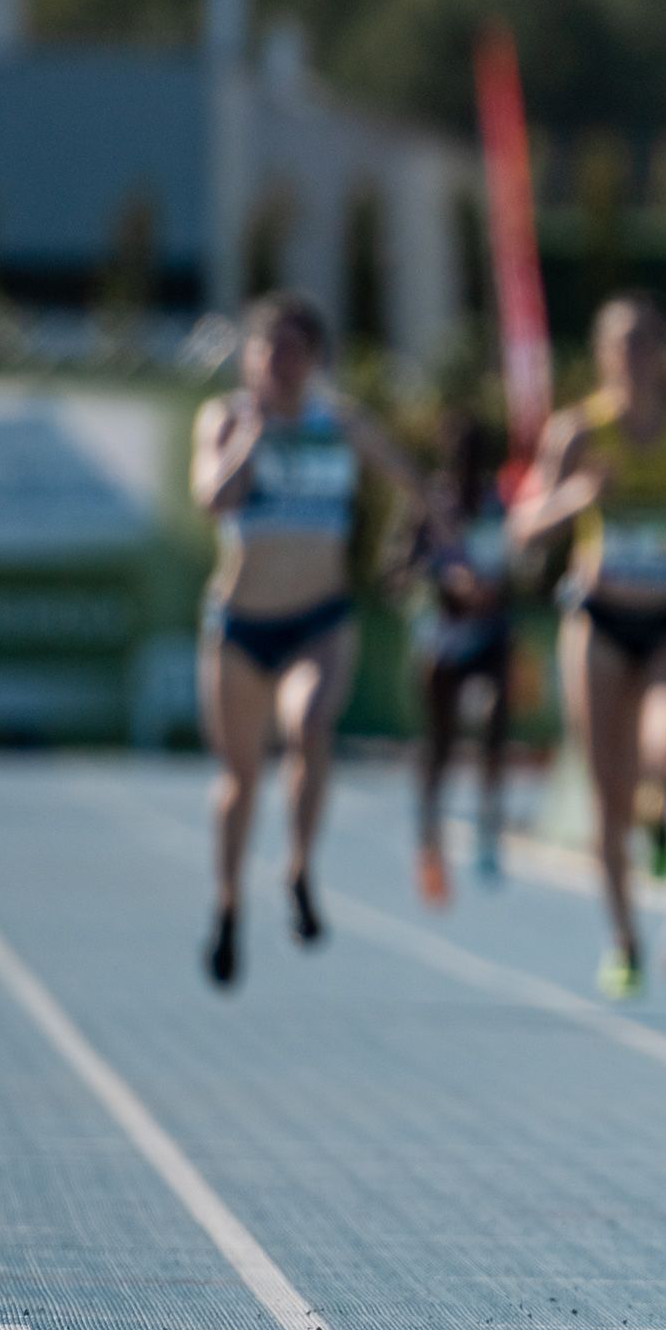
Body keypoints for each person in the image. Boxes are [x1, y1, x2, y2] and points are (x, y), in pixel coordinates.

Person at [513, 293, 666, 997]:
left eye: (647, 341)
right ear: (603, 354)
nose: (636, 355)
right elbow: (523, 530)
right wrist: (578, 496)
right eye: (622, 343)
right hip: (600, 616)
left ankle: (659, 808)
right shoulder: (580, 433)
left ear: (663, 349)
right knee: (604, 791)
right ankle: (622, 940)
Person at [191, 293, 428, 989]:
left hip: (318, 617)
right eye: (271, 350)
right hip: (240, 622)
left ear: (316, 360)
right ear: (251, 358)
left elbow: (417, 486)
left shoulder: (341, 423)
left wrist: (409, 550)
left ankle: (297, 868)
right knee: (239, 779)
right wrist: (252, 436)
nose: (284, 364)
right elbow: (213, 498)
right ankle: (228, 904)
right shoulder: (226, 418)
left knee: (311, 723)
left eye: (297, 350)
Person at [402, 409, 518, 904]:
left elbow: (521, 562)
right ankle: (430, 842)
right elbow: (398, 566)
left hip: (490, 631)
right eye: (460, 457)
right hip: (442, 636)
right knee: (440, 741)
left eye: (476, 458)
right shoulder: (432, 503)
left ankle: (487, 827)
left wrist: (498, 586)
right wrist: (445, 580)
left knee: (495, 719)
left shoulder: (501, 503)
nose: (468, 467)